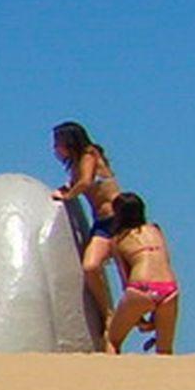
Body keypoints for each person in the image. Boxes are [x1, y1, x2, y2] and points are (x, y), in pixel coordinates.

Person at [50, 121, 122, 338]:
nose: (55, 149)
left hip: (118, 219)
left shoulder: (89, 155)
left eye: (58, 143)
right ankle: (108, 314)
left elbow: (85, 182)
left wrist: (68, 195)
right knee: (91, 266)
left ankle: (141, 318)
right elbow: (77, 182)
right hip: (101, 221)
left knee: (127, 271)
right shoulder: (75, 163)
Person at [101, 193, 180, 353]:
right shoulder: (155, 230)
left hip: (141, 287)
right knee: (165, 349)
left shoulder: (117, 240)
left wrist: (138, 318)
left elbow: (125, 277)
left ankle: (110, 375)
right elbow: (166, 259)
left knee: (112, 339)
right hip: (169, 288)